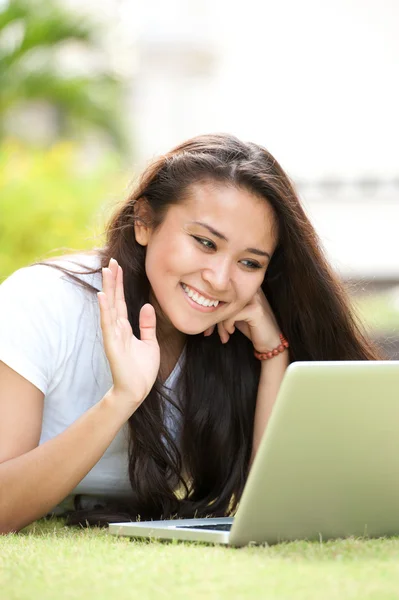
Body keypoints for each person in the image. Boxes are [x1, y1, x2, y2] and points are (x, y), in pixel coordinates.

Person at [0, 133, 380, 534]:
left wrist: (273, 355)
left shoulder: (233, 338)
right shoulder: (43, 301)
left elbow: (276, 512)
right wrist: (121, 399)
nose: (219, 280)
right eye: (204, 242)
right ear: (144, 222)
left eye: (249, 263)